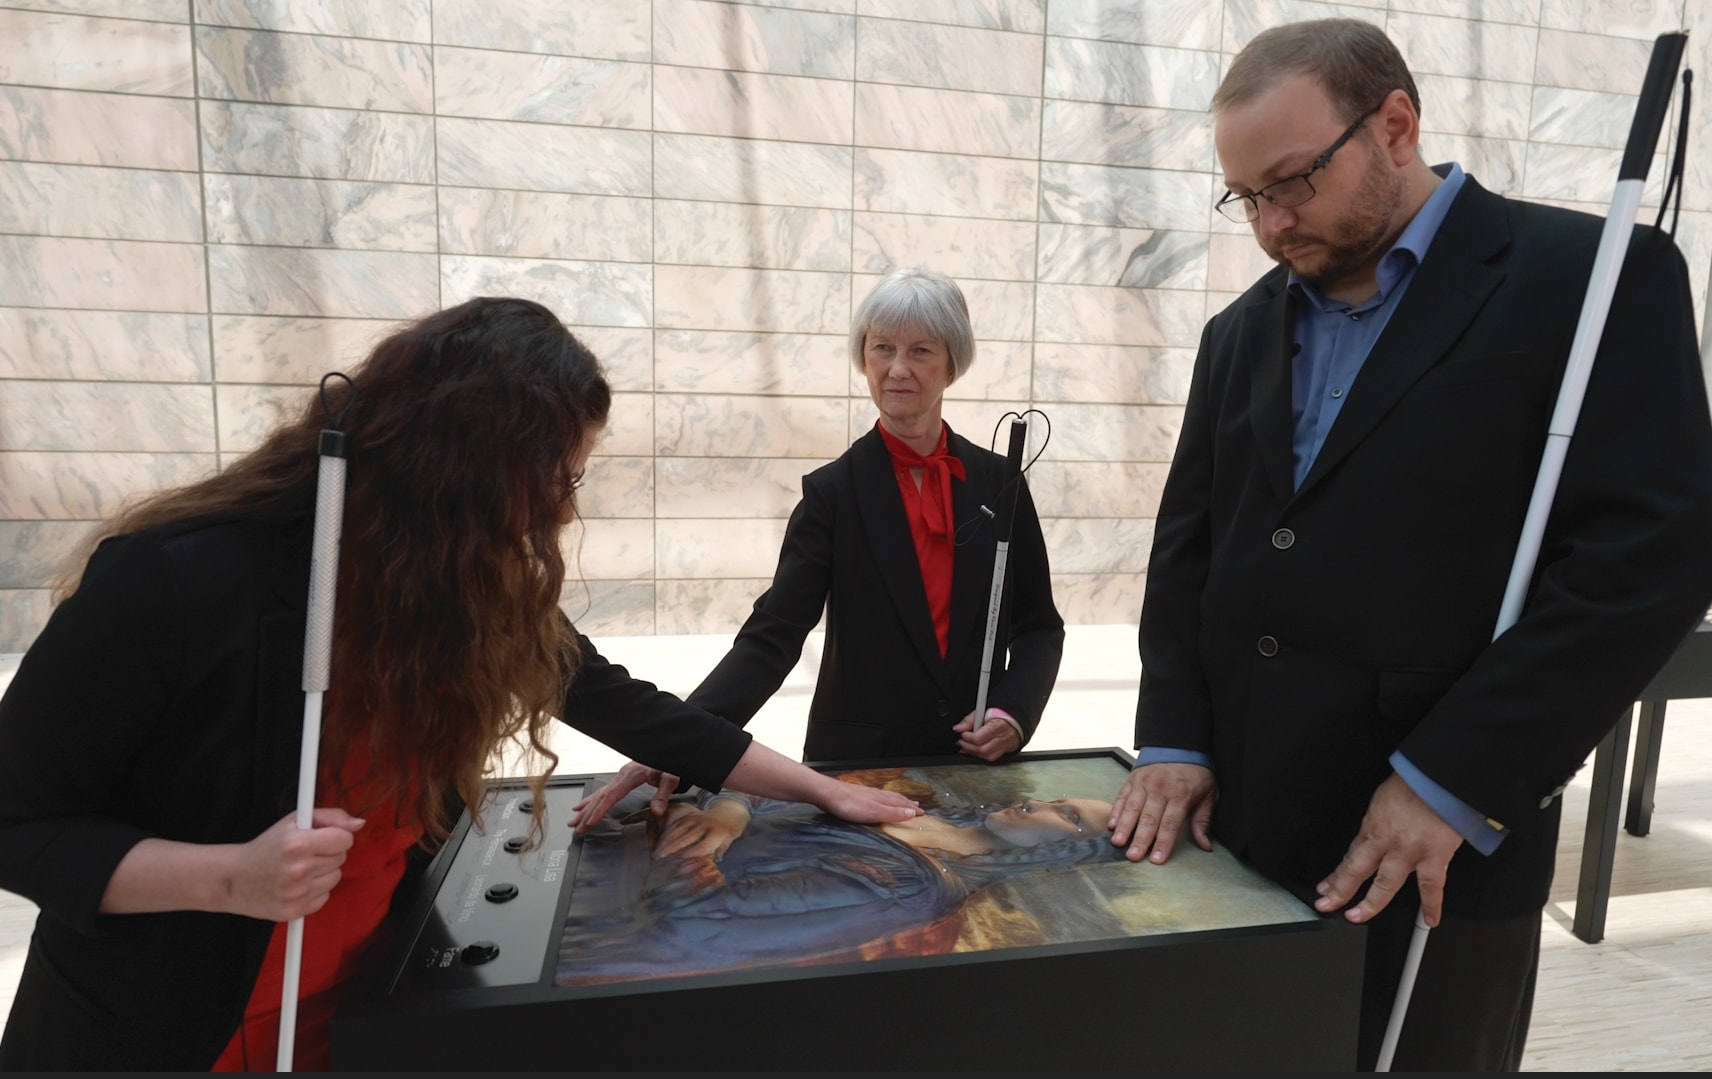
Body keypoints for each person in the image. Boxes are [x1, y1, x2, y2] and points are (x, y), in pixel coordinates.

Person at [0, 296, 921, 1072]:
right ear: (466, 467)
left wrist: (817, 788)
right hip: (163, 1033)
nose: (562, 508)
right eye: (556, 477)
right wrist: (229, 876)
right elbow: (18, 822)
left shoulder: (470, 588)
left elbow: (624, 705)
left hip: (357, 1019)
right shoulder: (175, 582)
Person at [1103, 19, 1712, 1072]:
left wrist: (1448, 776)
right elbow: (1190, 549)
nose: (1269, 222)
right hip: (1241, 828)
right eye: (1244, 196)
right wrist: (1172, 736)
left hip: (1438, 843)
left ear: (1392, 124)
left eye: (1290, 181)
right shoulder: (1238, 331)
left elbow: (1650, 553)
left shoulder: (1586, 277)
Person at [575, 267, 1065, 823]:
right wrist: (682, 739)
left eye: (920, 351)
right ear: (864, 357)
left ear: (953, 361)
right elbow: (773, 637)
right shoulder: (832, 492)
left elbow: (1038, 626)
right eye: (882, 348)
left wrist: (1013, 711)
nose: (897, 369)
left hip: (972, 769)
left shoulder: (999, 482)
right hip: (856, 769)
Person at [559, 776, 1119, 986]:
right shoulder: (908, 804)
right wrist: (730, 806)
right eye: (1056, 797)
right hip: (586, 836)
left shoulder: (907, 886)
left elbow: (696, 925)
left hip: (583, 914)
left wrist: (683, 823)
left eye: (1067, 817)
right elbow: (778, 782)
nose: (1036, 802)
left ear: (1067, 854)